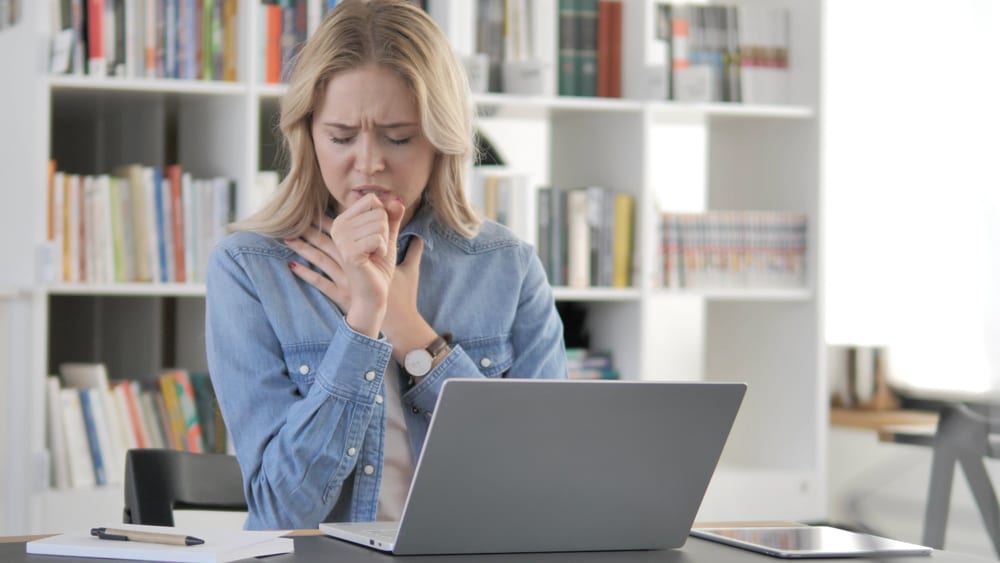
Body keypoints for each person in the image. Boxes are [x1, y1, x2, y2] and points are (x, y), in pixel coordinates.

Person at [205, 0, 567, 531]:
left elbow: (546, 485)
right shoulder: (248, 268)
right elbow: (281, 509)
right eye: (341, 136)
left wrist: (411, 332)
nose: (369, 162)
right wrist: (363, 324)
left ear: (443, 138)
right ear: (307, 135)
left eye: (398, 137)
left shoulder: (507, 267)